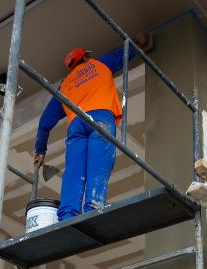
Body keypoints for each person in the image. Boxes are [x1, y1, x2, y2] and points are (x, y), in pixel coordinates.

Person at [34, 34, 152, 221]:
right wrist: (140, 42)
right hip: (100, 119)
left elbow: (45, 122)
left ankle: (67, 214)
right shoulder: (100, 64)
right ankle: (93, 208)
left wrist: (40, 150)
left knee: (74, 169)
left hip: (76, 125)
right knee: (98, 164)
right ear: (86, 57)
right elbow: (125, 53)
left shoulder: (65, 85)